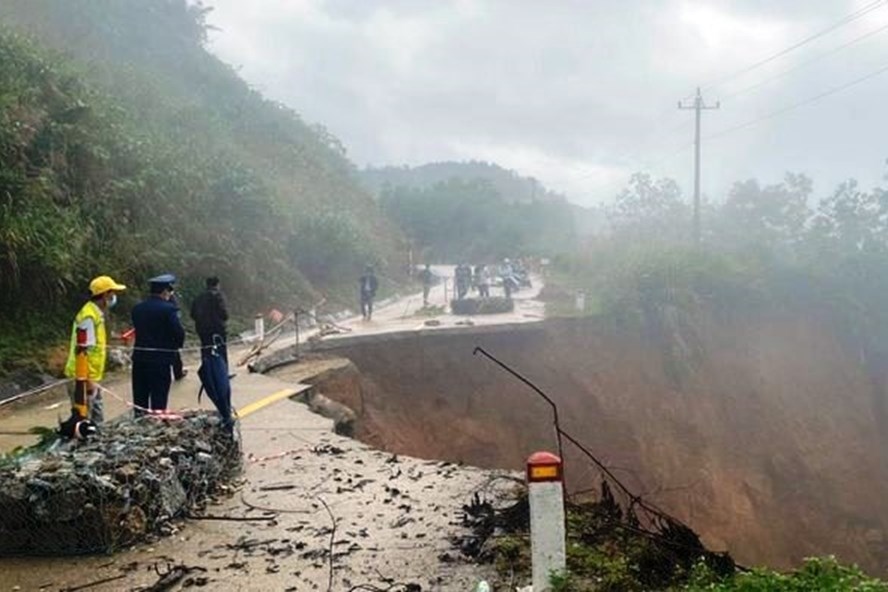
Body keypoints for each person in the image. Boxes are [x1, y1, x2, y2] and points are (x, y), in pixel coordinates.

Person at [64, 275, 127, 424]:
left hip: (89, 375)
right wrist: (89, 381)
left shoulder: (95, 314)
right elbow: (84, 350)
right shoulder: (89, 317)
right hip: (81, 377)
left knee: (96, 418)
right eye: (113, 292)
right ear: (105, 294)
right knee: (85, 420)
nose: (114, 297)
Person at [131, 274, 185, 416]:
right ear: (165, 291)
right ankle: (156, 429)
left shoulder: (137, 309)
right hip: (160, 361)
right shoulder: (169, 310)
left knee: (140, 400)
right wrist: (176, 347)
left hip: (140, 360)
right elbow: (178, 333)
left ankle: (139, 426)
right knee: (158, 400)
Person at [191, 276, 230, 366]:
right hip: (218, 328)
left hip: (202, 329)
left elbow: (193, 314)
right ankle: (222, 373)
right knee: (220, 351)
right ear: (217, 284)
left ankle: (207, 372)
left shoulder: (198, 297)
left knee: (206, 350)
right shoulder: (218, 296)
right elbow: (224, 313)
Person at [170, 292, 187, 380]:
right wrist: (180, 342)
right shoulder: (171, 299)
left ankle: (178, 372)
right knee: (175, 354)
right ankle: (178, 373)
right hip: (170, 334)